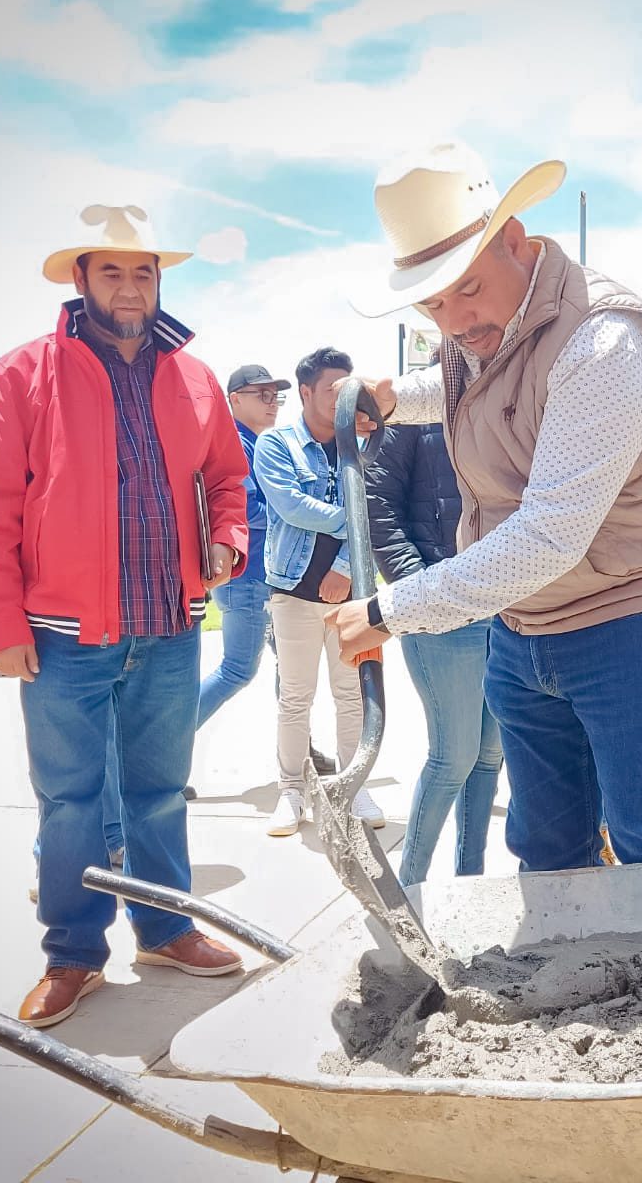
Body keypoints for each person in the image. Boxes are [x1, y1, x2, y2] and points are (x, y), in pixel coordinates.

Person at [332, 142, 642, 872]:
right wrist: (395, 397)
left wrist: (387, 611)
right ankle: (573, 984)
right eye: (432, 302)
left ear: (516, 241)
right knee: (546, 846)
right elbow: (478, 382)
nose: (452, 319)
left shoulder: (608, 342)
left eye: (466, 289)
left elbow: (547, 539)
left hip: (631, 622)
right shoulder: (479, 329)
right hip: (524, 626)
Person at [0, 203, 248, 1028]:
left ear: (160, 280)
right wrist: (2, 625)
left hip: (169, 624)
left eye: (145, 270)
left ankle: (164, 928)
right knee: (71, 802)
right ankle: (73, 954)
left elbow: (227, 478)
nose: (131, 286)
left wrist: (227, 536)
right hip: (61, 635)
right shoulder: (24, 372)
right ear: (80, 278)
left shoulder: (193, 376)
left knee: (161, 791)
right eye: (113, 270)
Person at [365, 412, 503, 884]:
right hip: (439, 610)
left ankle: (471, 882)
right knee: (453, 757)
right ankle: (409, 890)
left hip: (503, 603)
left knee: (489, 755)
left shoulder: (505, 398)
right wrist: (423, 591)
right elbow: (377, 506)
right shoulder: (413, 411)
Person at [252, 346, 383, 837]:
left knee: (352, 694)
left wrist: (347, 567)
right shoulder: (276, 444)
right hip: (293, 588)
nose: (341, 397)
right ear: (305, 391)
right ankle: (291, 790)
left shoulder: (363, 443)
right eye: (331, 388)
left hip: (352, 593)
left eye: (347, 387)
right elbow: (291, 507)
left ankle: (355, 785)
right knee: (296, 697)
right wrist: (353, 520)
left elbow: (377, 505)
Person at [196, 363, 287, 726]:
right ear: (234, 399)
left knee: (295, 668)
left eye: (275, 395)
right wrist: (296, 513)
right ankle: (159, 759)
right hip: (246, 578)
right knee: (236, 670)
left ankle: (299, 753)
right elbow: (245, 509)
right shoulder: (235, 442)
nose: (273, 403)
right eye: (262, 394)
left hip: (261, 577)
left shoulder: (255, 442)